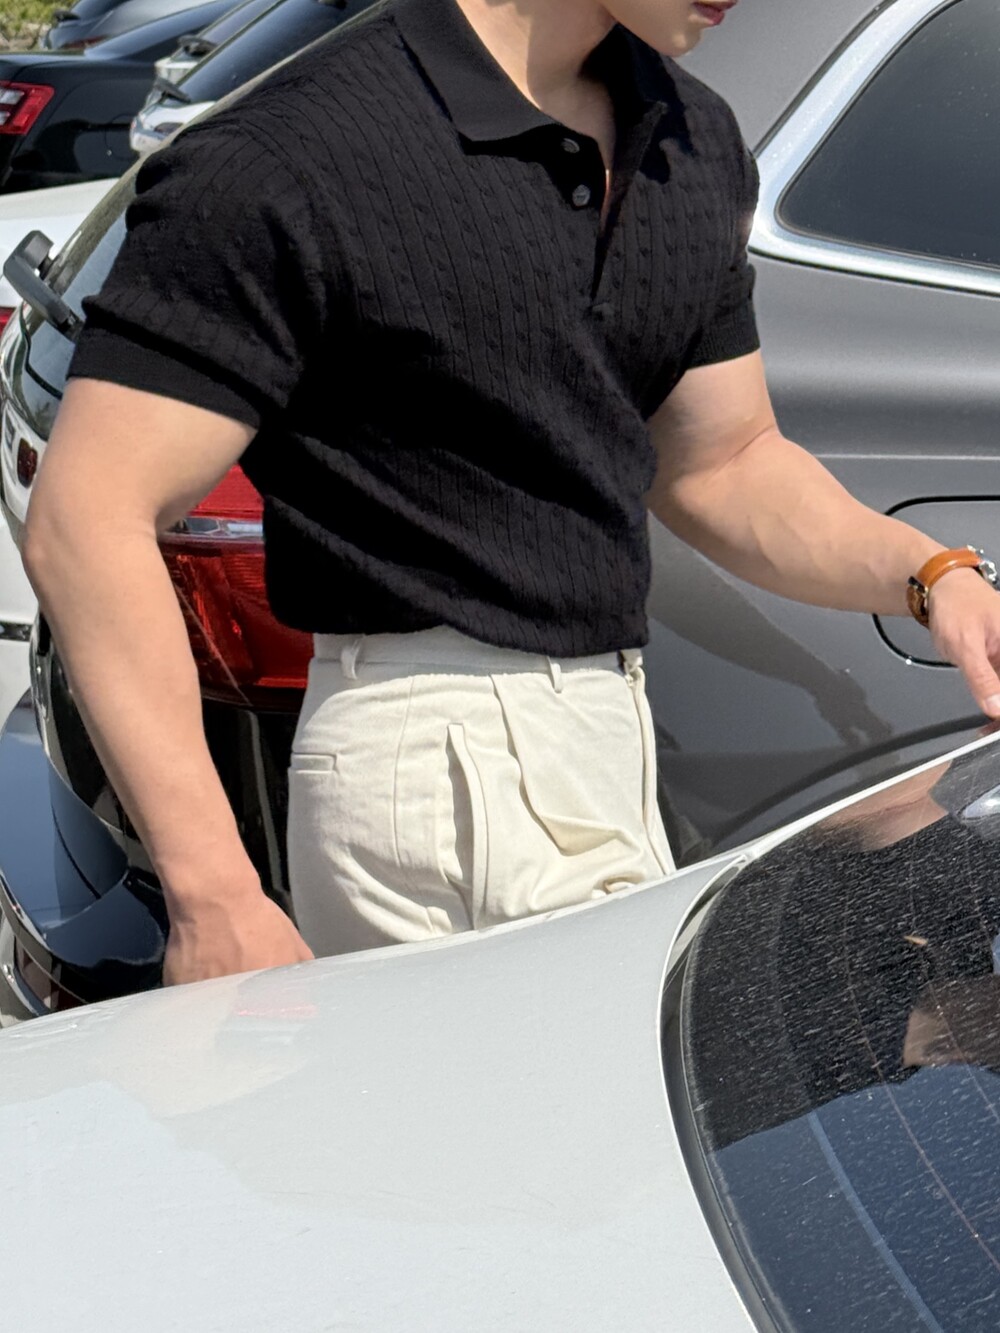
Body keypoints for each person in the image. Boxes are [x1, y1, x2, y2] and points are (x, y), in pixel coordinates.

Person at [21, 0, 1000, 985]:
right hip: (435, 766)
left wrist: (932, 576)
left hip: (604, 732)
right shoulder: (296, 154)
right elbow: (87, 515)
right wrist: (215, 894)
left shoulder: (684, 134)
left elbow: (726, 461)